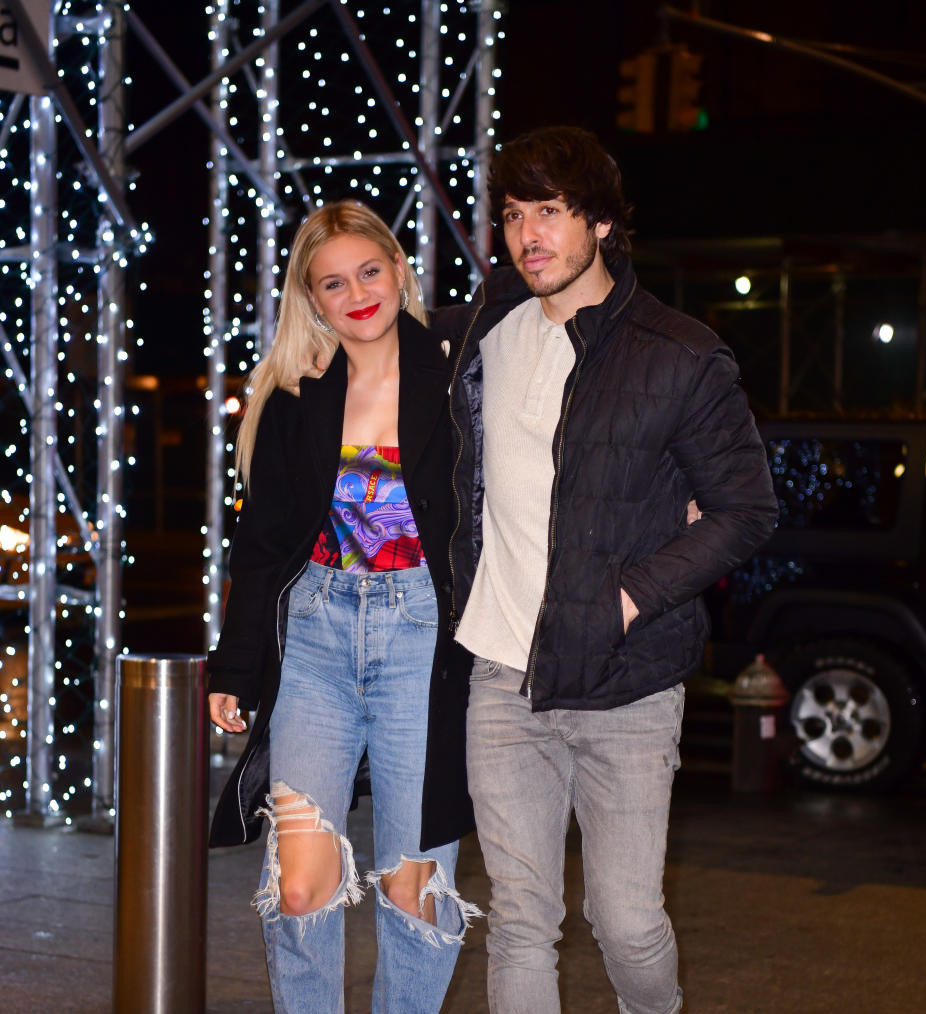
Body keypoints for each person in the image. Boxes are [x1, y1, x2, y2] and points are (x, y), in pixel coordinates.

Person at [438, 126, 779, 1013]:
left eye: (550, 211)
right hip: (503, 678)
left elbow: (747, 510)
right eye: (514, 214)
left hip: (628, 685)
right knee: (519, 919)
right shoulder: (489, 332)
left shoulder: (679, 353)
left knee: (625, 922)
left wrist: (631, 597)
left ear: (601, 224)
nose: (528, 235)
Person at [206, 200, 478, 1014]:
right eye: (333, 283)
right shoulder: (296, 394)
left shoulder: (459, 372)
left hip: (424, 640)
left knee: (413, 890)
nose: (357, 293)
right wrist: (236, 664)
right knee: (298, 890)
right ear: (312, 300)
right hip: (316, 640)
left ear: (399, 270)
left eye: (369, 270)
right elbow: (263, 546)